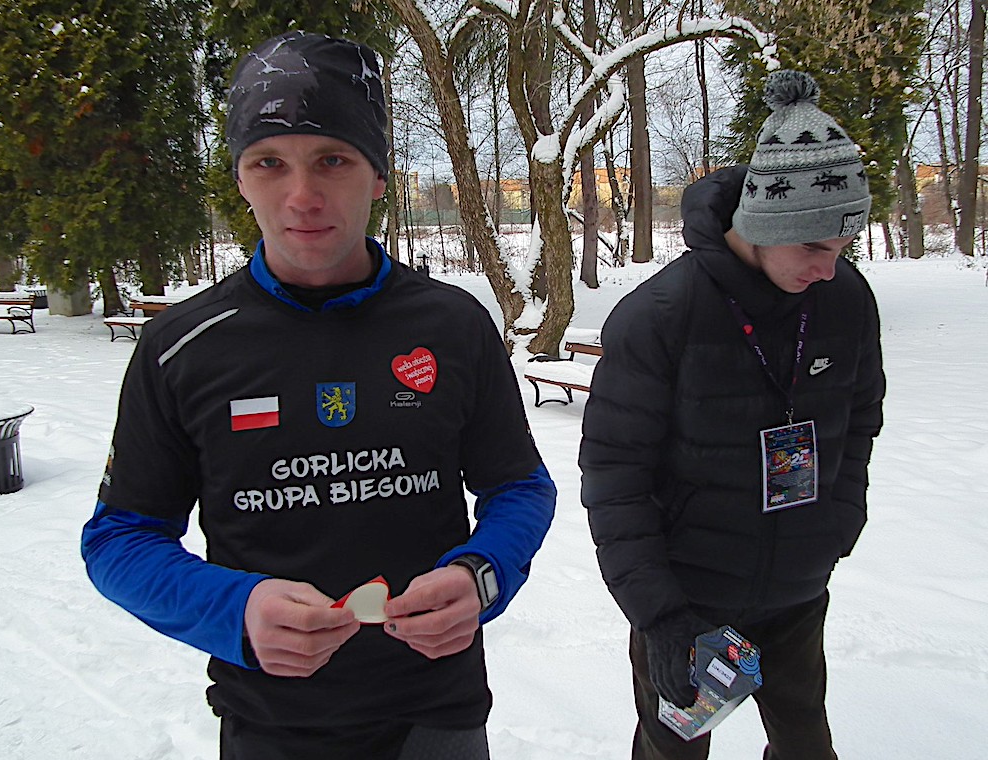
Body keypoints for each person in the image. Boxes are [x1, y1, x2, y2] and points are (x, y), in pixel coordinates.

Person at [82, 31, 556, 760]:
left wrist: (482, 574)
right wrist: (235, 609)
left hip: (436, 713)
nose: (301, 197)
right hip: (271, 724)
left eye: (333, 160)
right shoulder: (182, 346)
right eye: (269, 163)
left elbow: (519, 487)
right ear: (241, 179)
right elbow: (119, 538)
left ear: (378, 176)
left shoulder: (454, 326)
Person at [578, 70, 885, 760]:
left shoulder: (844, 300)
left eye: (842, 248)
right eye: (813, 246)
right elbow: (614, 477)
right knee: (674, 751)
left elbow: (861, 419)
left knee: (807, 745)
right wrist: (660, 616)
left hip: (797, 590)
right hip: (689, 601)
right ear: (763, 225)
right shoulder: (662, 315)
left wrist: (837, 523)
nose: (829, 269)